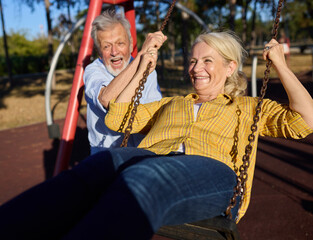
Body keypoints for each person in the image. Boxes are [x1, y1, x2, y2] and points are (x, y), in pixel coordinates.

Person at [0, 31, 312, 240]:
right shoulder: (171, 103)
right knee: (95, 168)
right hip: (149, 158)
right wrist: (141, 67)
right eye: (192, 60)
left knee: (145, 178)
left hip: (214, 172)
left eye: (207, 61)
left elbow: (304, 121)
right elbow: (118, 117)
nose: (196, 68)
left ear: (230, 68)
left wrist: (281, 66)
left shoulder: (247, 107)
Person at [84, 9, 162, 155]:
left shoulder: (149, 70)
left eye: (120, 43)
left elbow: (155, 115)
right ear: (99, 51)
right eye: (107, 46)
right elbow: (107, 99)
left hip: (141, 150)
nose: (114, 52)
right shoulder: (93, 71)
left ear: (131, 44)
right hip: (107, 153)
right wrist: (140, 58)